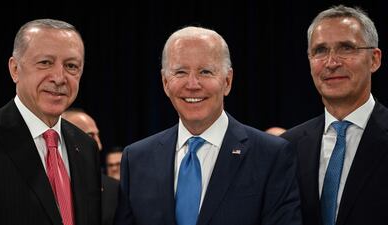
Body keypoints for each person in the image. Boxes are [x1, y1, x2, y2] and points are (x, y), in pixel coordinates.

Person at [114, 26, 301, 225]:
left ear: (227, 81)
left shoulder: (271, 156)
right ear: (165, 82)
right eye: (180, 72)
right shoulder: (136, 159)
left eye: (205, 71)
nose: (192, 84)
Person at [281, 5, 388, 225]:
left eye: (346, 48)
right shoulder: (287, 147)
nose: (331, 63)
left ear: (374, 59)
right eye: (320, 51)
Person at [0, 19, 101, 225]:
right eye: (45, 62)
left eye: (71, 66)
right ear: (15, 69)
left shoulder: (86, 148)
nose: (59, 77)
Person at [62, 108, 119, 225]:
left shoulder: (115, 189)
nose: (99, 145)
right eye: (90, 135)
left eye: (97, 135)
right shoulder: (42, 183)